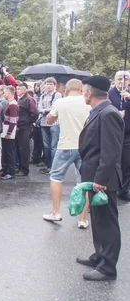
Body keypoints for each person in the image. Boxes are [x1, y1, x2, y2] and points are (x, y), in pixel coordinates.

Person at [76, 75, 123, 281]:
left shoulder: (108, 113)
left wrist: (101, 180)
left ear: (90, 92)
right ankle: (100, 256)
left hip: (103, 179)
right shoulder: (99, 111)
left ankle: (108, 268)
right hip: (94, 176)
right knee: (97, 219)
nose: (83, 93)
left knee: (107, 222)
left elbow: (110, 151)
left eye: (84, 90)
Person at [42, 79, 91, 227]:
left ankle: (56, 212)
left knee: (56, 177)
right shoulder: (87, 103)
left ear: (66, 89)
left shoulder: (61, 102)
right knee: (84, 181)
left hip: (65, 145)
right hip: (85, 146)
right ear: (81, 89)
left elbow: (49, 120)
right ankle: (82, 219)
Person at [108, 71, 130, 201]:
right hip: (113, 133)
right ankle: (112, 188)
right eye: (120, 79)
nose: (122, 81)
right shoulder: (109, 94)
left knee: (127, 163)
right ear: (115, 80)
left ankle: (124, 189)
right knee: (115, 161)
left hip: (128, 134)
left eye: (125, 79)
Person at [38, 77, 62, 174]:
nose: (48, 86)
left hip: (54, 123)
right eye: (47, 84)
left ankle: (54, 167)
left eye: (50, 84)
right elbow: (39, 108)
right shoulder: (43, 96)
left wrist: (45, 110)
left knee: (54, 146)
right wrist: (46, 110)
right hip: (44, 122)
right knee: (46, 146)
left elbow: (55, 107)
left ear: (54, 85)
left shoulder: (57, 95)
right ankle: (48, 165)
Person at [15, 82, 36, 176]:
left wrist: (29, 122)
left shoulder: (28, 99)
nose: (17, 90)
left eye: (19, 89)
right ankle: (20, 167)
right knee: (19, 147)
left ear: (24, 89)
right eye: (17, 89)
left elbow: (34, 113)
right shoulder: (20, 99)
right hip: (19, 126)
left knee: (24, 148)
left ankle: (25, 169)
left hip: (25, 126)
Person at [1, 86, 18, 180]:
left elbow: (13, 120)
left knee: (10, 152)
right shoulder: (10, 104)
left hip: (9, 130)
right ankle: (6, 170)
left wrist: (9, 132)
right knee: (6, 151)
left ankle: (10, 172)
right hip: (6, 129)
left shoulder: (13, 105)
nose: (4, 94)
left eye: (5, 92)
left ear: (9, 93)